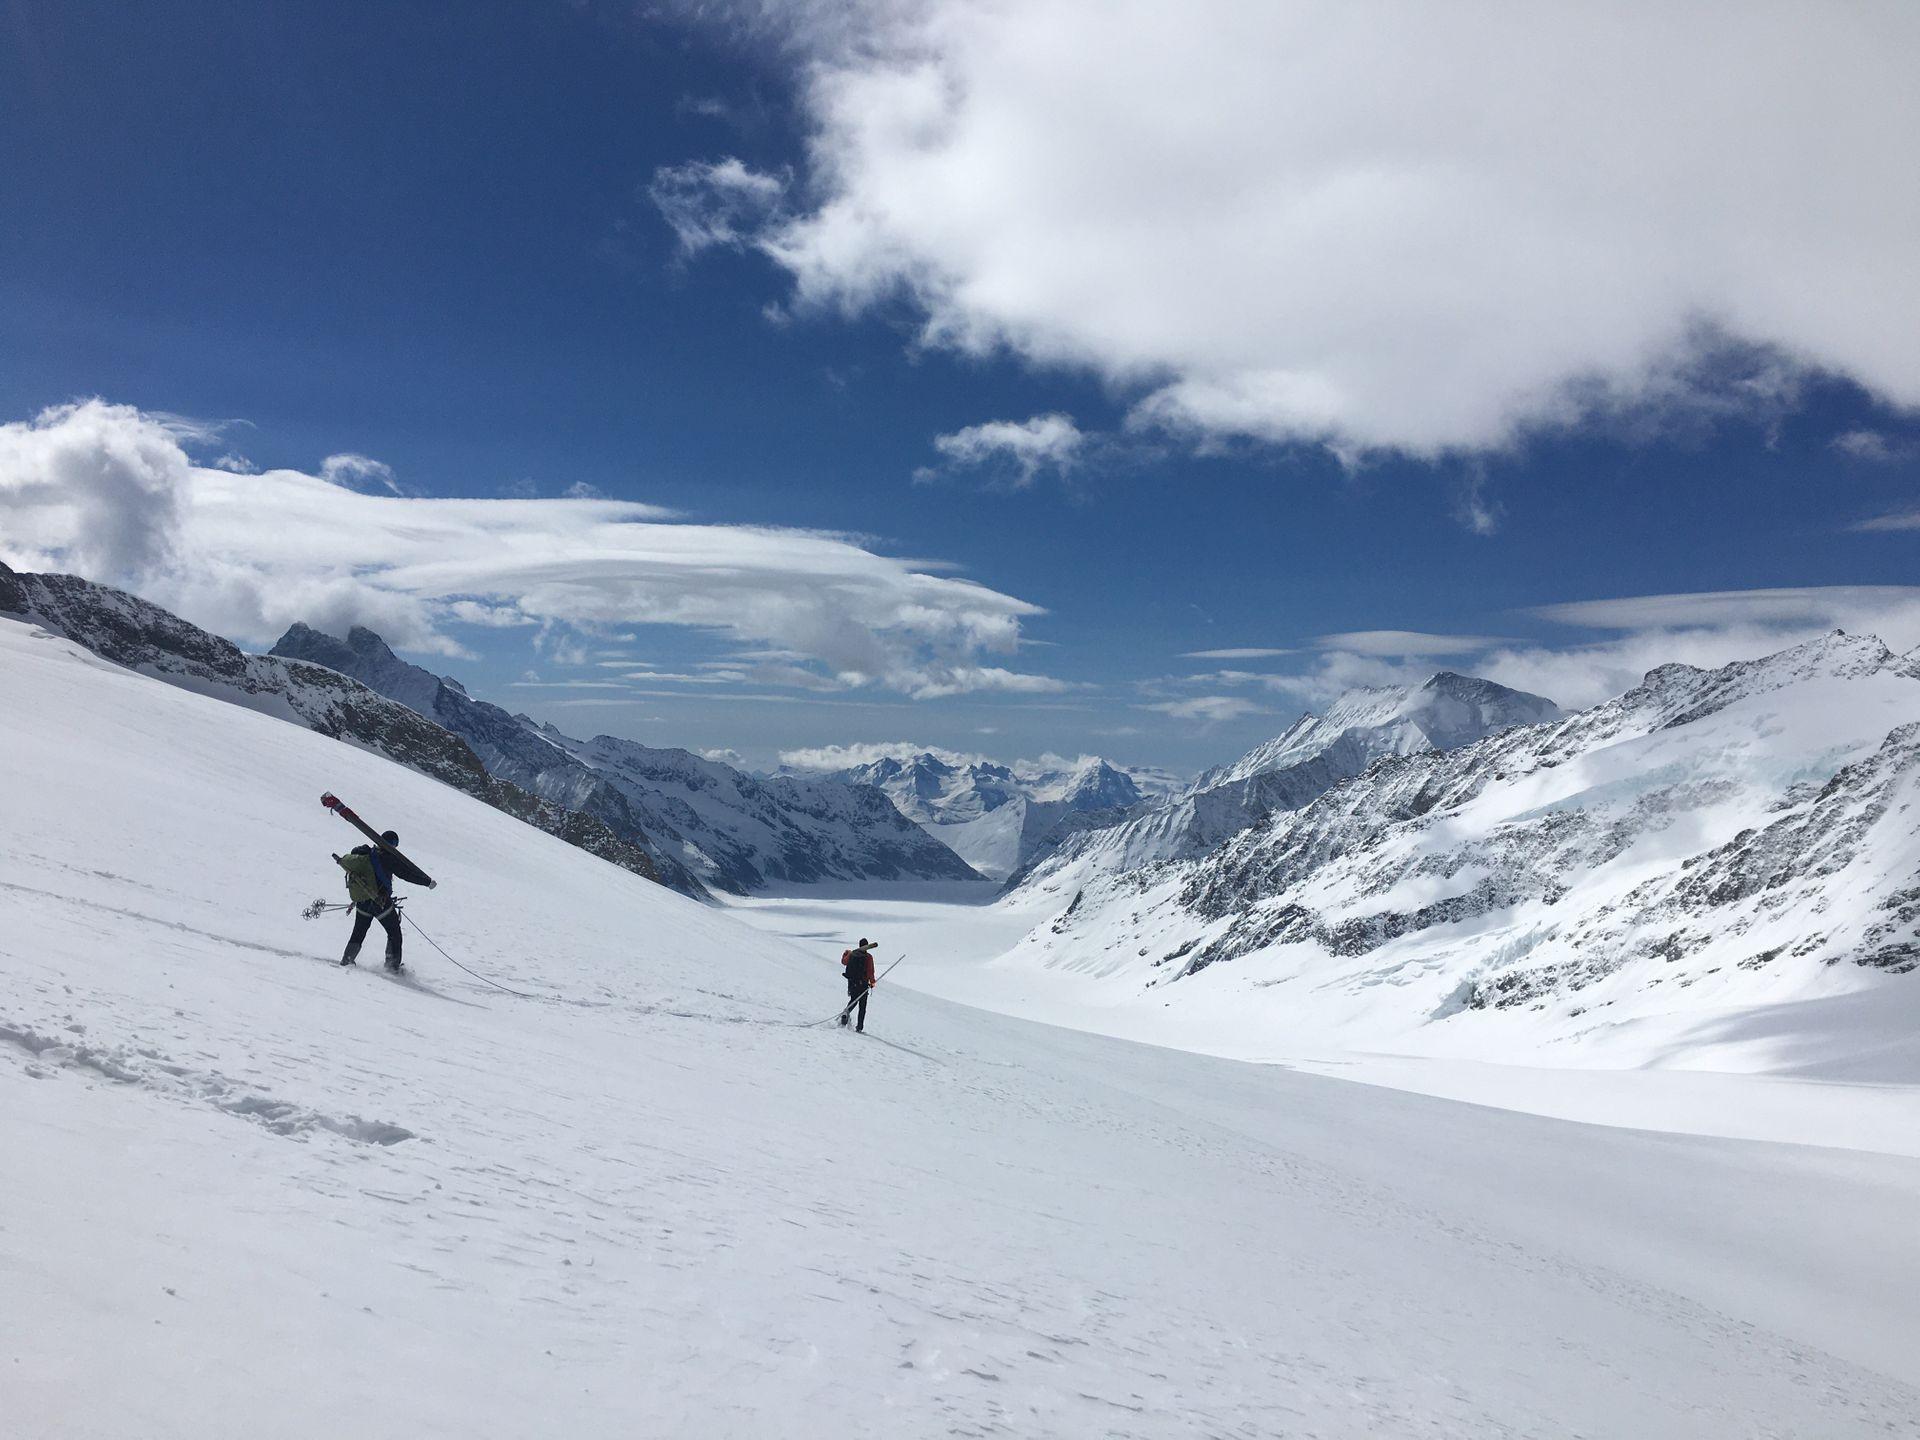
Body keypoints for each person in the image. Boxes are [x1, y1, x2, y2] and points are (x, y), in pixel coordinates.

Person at [335, 830, 408, 972]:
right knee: (394, 932)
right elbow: (406, 874)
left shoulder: (368, 855)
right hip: (380, 902)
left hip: (363, 901)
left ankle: (347, 959)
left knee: (359, 932)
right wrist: (427, 882)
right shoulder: (386, 858)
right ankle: (392, 967)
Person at [840, 937, 877, 1031]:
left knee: (854, 1000)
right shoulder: (868, 957)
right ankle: (859, 1027)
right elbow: (870, 971)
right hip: (863, 984)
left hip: (852, 982)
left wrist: (846, 954)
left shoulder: (852, 954)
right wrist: (872, 982)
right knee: (862, 1006)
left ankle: (846, 1012)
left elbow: (844, 962)